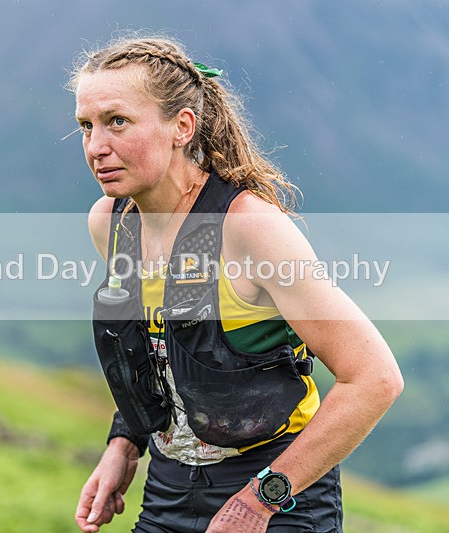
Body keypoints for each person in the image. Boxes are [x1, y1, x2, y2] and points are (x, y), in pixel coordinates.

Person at [70, 35, 403, 533]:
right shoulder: (112, 223)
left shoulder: (247, 229)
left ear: (182, 126)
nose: (97, 146)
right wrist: (125, 443)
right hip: (166, 491)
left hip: (278, 493)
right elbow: (156, 350)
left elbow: (375, 379)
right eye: (86, 126)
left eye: (118, 121)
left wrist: (260, 500)